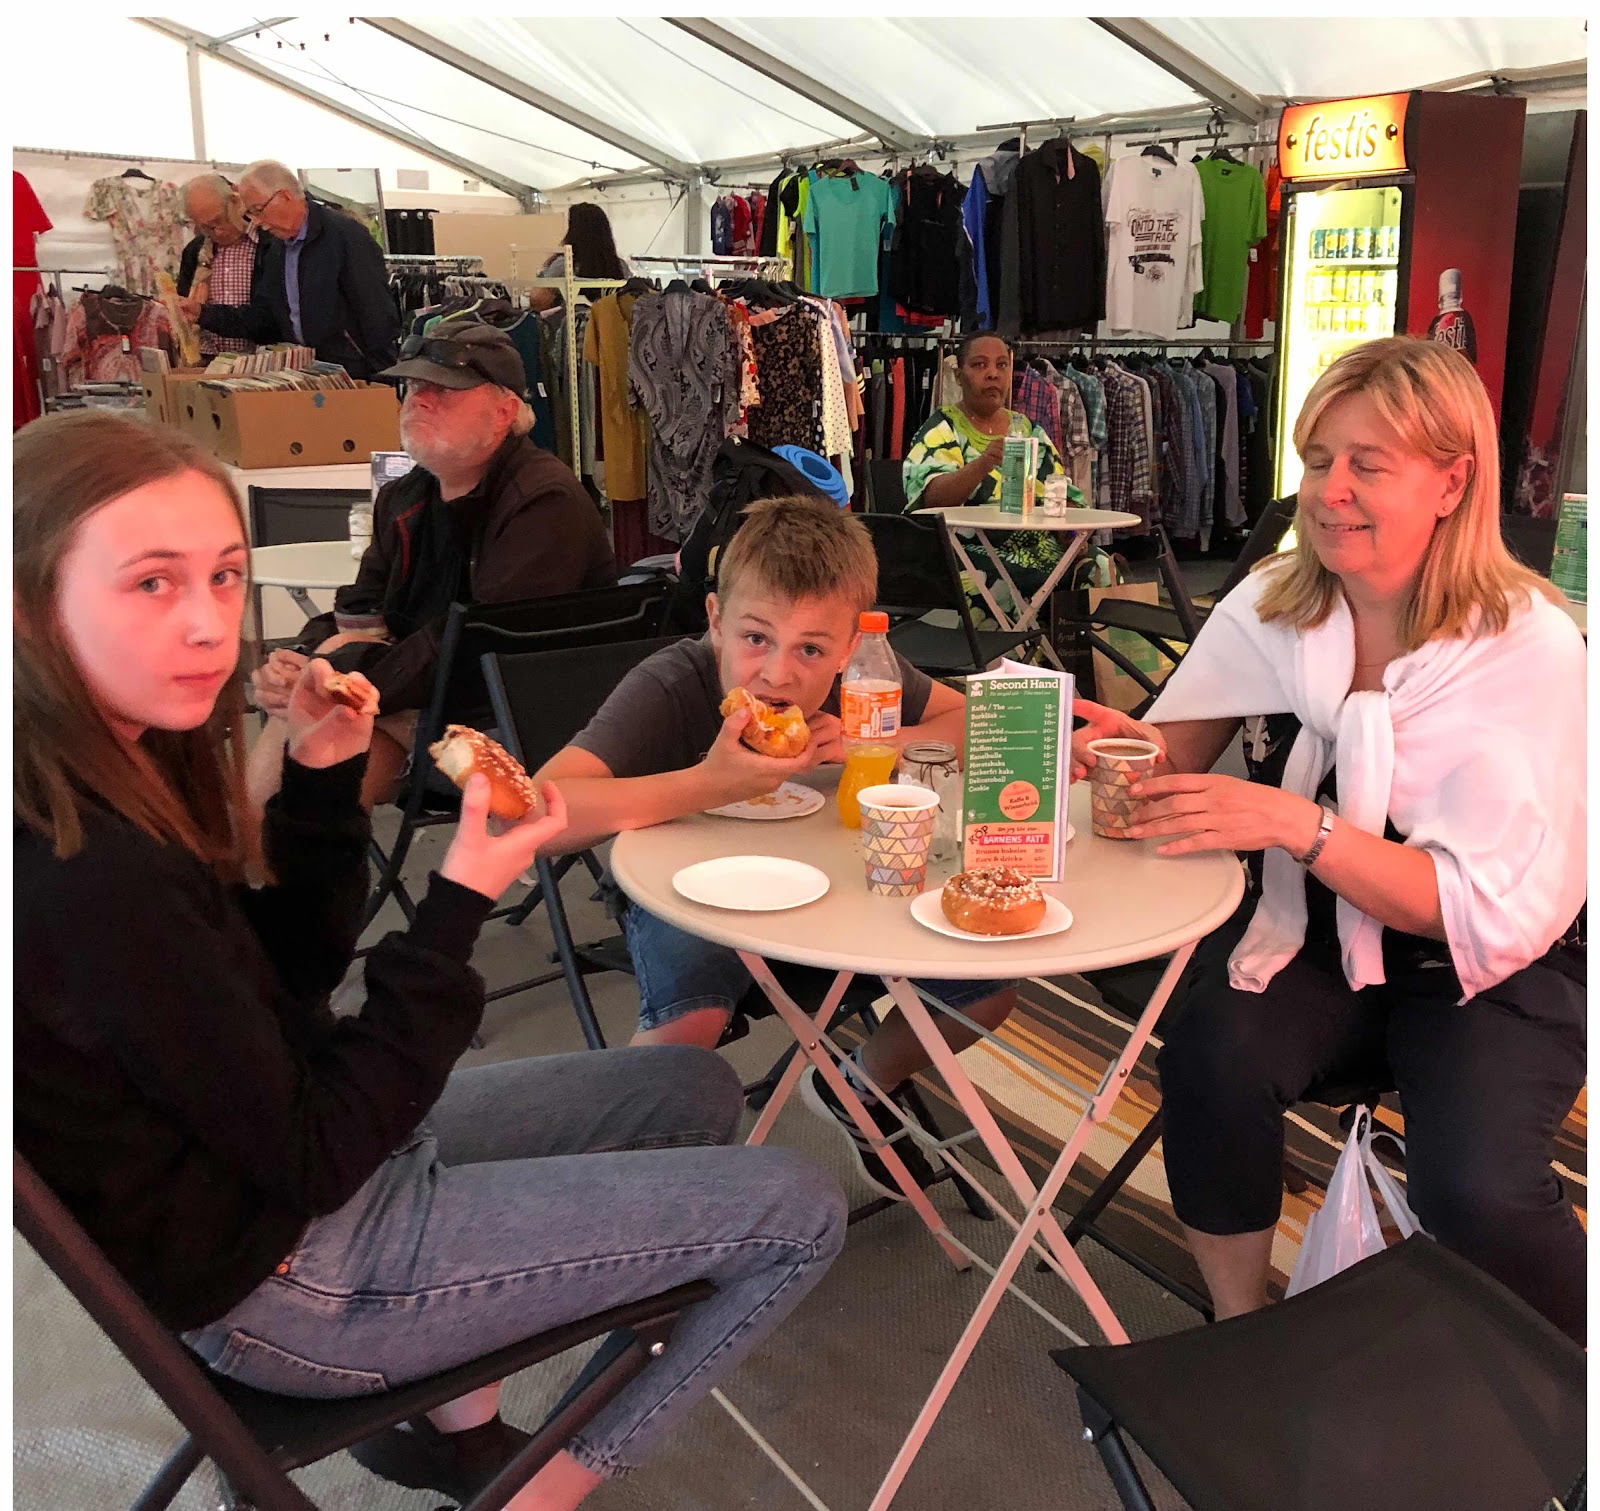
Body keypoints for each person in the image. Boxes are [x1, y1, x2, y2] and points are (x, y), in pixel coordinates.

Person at [14, 410, 846, 1511]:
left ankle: (459, 1421)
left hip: (289, 1182)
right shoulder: (82, 873)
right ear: (29, 603)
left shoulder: (113, 768)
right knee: (796, 1211)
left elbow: (281, 989)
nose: (206, 623)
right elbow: (319, 1148)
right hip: (290, 1275)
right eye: (152, 582)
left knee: (688, 1083)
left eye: (222, 575)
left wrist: (318, 786)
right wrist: (459, 898)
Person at [1072, 337, 1586, 1344]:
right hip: (1313, 932)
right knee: (1212, 1055)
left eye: (1367, 464)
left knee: (1474, 1187)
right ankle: (1240, 1330)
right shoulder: (1276, 602)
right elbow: (1164, 760)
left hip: (1491, 963)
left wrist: (1296, 826)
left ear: (1452, 483)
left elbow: (1473, 904)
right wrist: (1099, 754)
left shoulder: (1525, 647)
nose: (1329, 490)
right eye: (1316, 460)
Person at [535, 496, 1017, 1198]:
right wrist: (708, 783)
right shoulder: (674, 683)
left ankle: (859, 1084)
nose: (778, 674)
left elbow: (971, 721)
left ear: (848, 649)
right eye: (755, 638)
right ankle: (625, 1193)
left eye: (811, 650)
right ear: (715, 621)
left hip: (835, 895)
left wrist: (870, 741)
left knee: (986, 989)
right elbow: (534, 815)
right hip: (689, 900)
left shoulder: (863, 683)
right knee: (693, 1018)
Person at [250, 320, 617, 811]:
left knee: (317, 723)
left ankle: (259, 849)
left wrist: (338, 679)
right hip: (424, 700)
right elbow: (362, 608)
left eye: (444, 390)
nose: (419, 400)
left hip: (512, 718)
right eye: (413, 386)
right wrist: (302, 656)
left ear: (504, 412)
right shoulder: (406, 496)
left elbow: (478, 642)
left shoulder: (543, 503)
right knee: (314, 732)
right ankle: (273, 850)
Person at [179, 160, 400, 379]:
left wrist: (372, 373)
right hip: (306, 375)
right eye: (250, 213)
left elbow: (378, 315)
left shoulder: (345, 236)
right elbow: (265, 317)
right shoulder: (278, 247)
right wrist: (202, 313)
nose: (256, 221)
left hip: (355, 376)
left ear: (284, 196)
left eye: (258, 210)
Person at [902, 332, 1078, 602]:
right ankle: (1019, 631)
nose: (993, 374)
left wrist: (1074, 536)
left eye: (1001, 365)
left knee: (1096, 567)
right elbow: (932, 501)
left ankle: (1060, 632)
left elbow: (1063, 494)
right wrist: (983, 463)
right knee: (1000, 581)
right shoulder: (942, 428)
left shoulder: (1027, 430)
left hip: (1035, 545)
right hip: (965, 551)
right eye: (979, 365)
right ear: (959, 376)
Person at [175, 175, 267, 358]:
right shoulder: (195, 251)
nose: (216, 231)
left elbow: (270, 316)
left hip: (259, 361)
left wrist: (204, 314)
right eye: (206, 228)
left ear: (235, 202)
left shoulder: (268, 244)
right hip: (206, 360)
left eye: (218, 221)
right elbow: (185, 307)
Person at [526, 202, 630, 312]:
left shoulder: (565, 264)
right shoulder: (620, 265)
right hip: (610, 320)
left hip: (571, 321)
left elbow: (537, 299)